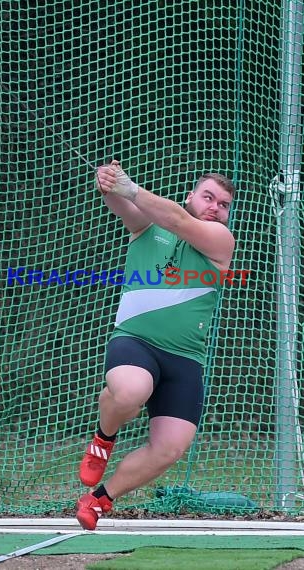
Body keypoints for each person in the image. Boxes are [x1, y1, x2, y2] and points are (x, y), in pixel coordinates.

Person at [76, 160, 235, 530]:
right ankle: (104, 438)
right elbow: (125, 204)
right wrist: (110, 184)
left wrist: (129, 188)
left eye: (223, 204)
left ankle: (100, 499)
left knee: (170, 448)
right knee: (131, 392)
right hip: (136, 343)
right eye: (208, 197)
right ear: (189, 196)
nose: (215, 207)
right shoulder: (147, 226)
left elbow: (177, 221)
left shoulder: (220, 241)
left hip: (184, 360)